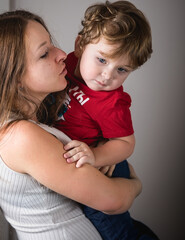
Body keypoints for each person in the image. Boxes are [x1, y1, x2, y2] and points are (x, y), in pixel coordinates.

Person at [0, 9, 143, 240]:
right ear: (14, 77)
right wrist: (135, 184)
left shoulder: (26, 124)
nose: (62, 54)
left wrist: (101, 146)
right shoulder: (21, 136)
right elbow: (113, 200)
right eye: (44, 53)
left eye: (52, 44)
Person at [54, 1, 155, 239]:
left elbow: (126, 143)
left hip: (104, 166)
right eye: (102, 60)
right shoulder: (65, 65)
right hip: (76, 158)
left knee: (113, 232)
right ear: (80, 46)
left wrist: (97, 155)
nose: (108, 75)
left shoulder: (112, 102)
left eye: (122, 70)